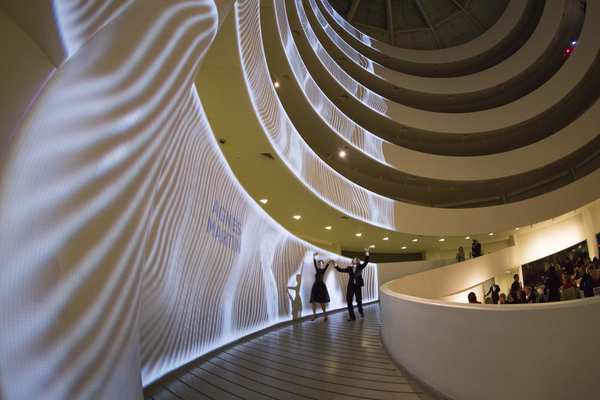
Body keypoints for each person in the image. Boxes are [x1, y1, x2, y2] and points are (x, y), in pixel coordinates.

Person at [335, 247, 369, 321]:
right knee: (349, 300)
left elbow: (366, 262)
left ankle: (360, 310)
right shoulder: (349, 268)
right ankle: (352, 316)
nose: (352, 260)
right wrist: (335, 265)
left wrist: (367, 253)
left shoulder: (360, 266)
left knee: (359, 300)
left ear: (357, 261)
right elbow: (340, 270)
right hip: (350, 286)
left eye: (354, 259)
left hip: (357, 285)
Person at [310, 253, 331, 321]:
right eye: (318, 263)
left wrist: (329, 262)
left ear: (322, 264)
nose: (318, 264)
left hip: (321, 286)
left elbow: (327, 266)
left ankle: (325, 314)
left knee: (321, 301)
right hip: (316, 286)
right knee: (313, 301)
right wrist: (314, 257)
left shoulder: (323, 270)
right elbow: (314, 263)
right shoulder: (317, 269)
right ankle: (314, 314)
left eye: (320, 263)